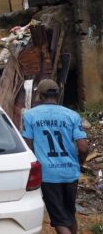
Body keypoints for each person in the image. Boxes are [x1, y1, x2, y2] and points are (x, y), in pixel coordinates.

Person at [22, 79, 89, 234]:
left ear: (40, 96)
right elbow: (83, 148)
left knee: (59, 220)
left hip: (48, 175)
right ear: (58, 95)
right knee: (69, 216)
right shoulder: (72, 115)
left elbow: (28, 146)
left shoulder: (30, 116)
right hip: (70, 172)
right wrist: (79, 163)